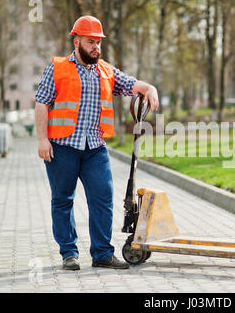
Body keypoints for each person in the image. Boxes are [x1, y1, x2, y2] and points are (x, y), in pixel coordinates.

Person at [34, 15, 159, 271]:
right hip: (62, 146)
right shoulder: (57, 67)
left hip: (94, 148)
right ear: (76, 40)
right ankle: (69, 253)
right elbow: (41, 102)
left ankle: (102, 254)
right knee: (62, 199)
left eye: (98, 43)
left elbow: (131, 84)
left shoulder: (105, 70)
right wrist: (42, 139)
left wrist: (149, 88)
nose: (96, 47)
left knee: (102, 197)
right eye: (91, 42)